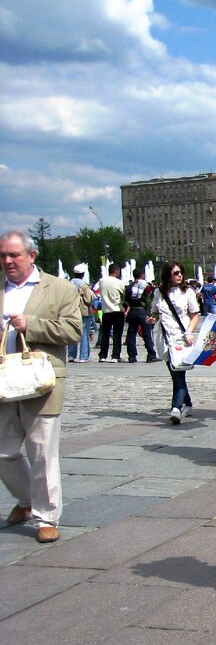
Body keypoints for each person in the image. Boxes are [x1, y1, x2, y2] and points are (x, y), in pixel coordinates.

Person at [0, 231, 82, 544]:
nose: (7, 261)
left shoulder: (59, 288)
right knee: (4, 452)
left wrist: (30, 324)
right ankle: (27, 499)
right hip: (3, 380)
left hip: (40, 381)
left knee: (42, 453)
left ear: (31, 256)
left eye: (14, 255)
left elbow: (73, 330)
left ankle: (46, 517)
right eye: (3, 255)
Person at [148, 261, 200, 424]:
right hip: (165, 337)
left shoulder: (188, 292)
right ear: (167, 275)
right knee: (175, 373)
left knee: (178, 372)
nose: (179, 276)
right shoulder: (159, 292)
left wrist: (189, 332)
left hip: (181, 337)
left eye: (181, 272)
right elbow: (155, 311)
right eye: (175, 273)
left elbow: (194, 315)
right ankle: (188, 403)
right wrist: (152, 318)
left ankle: (176, 407)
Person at [123, 267, 158, 363]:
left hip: (132, 311)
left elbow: (126, 301)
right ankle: (151, 355)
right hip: (142, 311)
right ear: (142, 275)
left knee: (131, 334)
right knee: (147, 334)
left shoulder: (129, 287)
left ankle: (132, 356)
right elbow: (150, 299)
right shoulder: (145, 286)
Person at [96, 263, 125, 362]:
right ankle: (115, 356)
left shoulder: (101, 281)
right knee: (117, 334)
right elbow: (123, 295)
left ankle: (103, 355)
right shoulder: (120, 283)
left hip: (106, 311)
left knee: (105, 334)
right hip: (117, 310)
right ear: (116, 272)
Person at [66, 265, 94, 363]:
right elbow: (88, 299)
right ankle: (83, 356)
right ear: (83, 274)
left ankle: (71, 355)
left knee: (72, 332)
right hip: (83, 311)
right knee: (84, 333)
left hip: (71, 310)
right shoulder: (84, 285)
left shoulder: (69, 283)